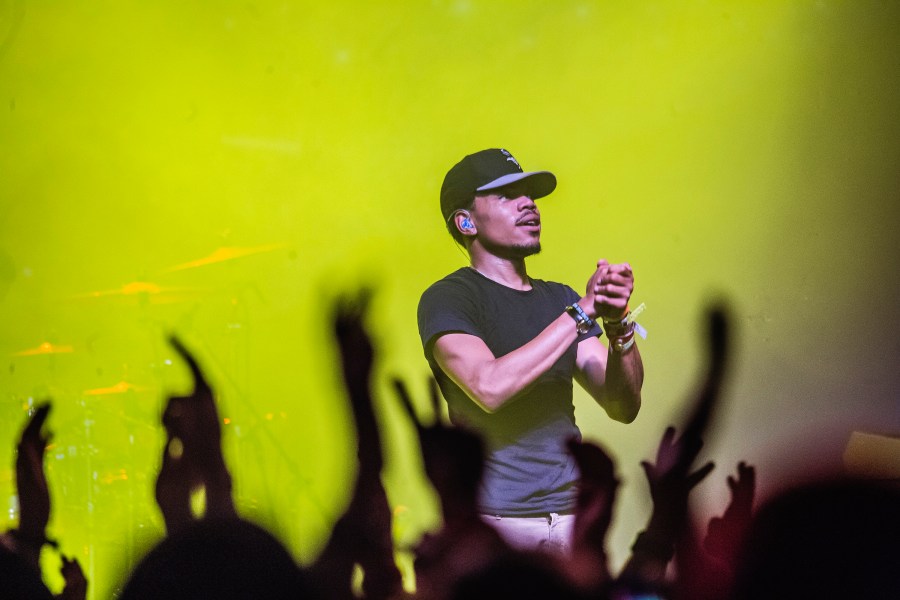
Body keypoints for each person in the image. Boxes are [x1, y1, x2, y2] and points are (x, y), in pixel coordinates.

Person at [417, 148, 644, 556]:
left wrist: (618, 323)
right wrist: (582, 311)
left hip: (573, 515)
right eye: (507, 196)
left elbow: (622, 404)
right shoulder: (449, 299)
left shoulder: (558, 298)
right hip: (498, 524)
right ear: (465, 221)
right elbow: (489, 387)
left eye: (530, 195)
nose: (529, 205)